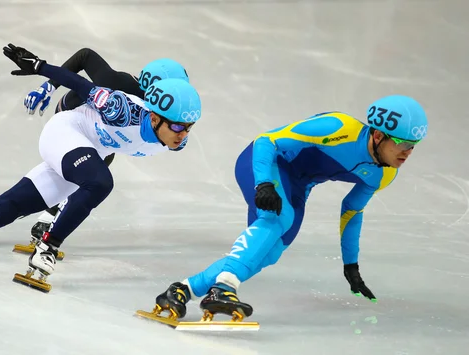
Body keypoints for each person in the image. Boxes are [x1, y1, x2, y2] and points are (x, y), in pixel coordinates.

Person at [0, 44, 202, 293]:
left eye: (188, 128)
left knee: (3, 210)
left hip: (84, 150)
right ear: (157, 116)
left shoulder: (176, 137)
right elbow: (79, 80)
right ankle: (48, 247)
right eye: (177, 126)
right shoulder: (123, 109)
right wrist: (40, 69)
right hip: (65, 133)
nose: (182, 134)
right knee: (101, 182)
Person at [151, 95, 428, 321]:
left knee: (269, 252)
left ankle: (183, 289)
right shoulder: (338, 127)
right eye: (403, 143)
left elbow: (352, 210)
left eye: (414, 146)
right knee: (280, 218)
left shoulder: (385, 173)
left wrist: (351, 264)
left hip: (297, 185)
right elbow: (266, 141)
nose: (408, 152)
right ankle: (223, 288)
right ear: (379, 135)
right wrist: (264, 185)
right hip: (263, 162)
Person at [15, 48, 191, 257]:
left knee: (97, 165)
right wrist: (48, 86)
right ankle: (42, 216)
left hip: (103, 132)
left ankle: (42, 214)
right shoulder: (119, 83)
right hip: (74, 120)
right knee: (87, 173)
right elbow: (85, 56)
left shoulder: (156, 109)